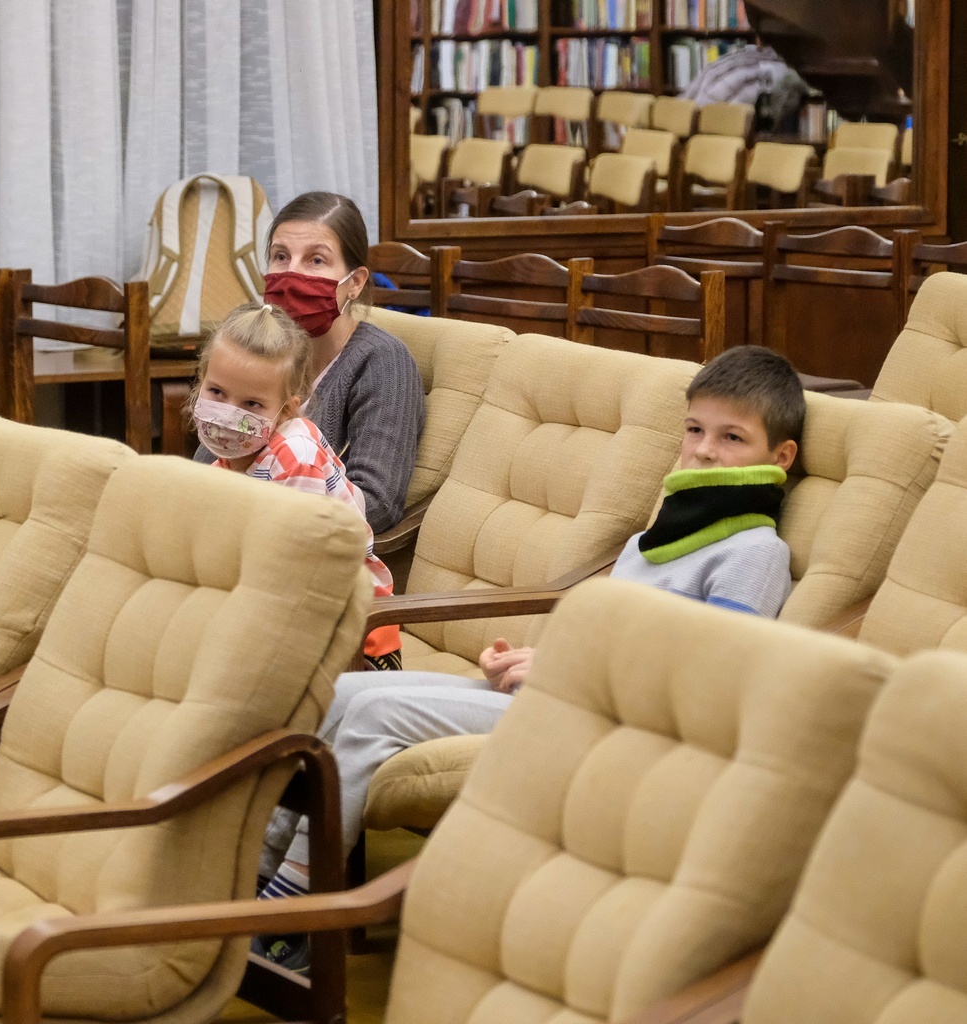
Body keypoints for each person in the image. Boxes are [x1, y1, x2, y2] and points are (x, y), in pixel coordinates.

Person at [254, 345, 805, 973]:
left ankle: (293, 915)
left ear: (780, 457)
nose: (704, 451)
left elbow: (712, 681)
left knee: (374, 714)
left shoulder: (754, 552)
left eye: (732, 437)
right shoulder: (658, 538)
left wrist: (568, 672)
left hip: (612, 725)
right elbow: (613, 638)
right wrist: (536, 659)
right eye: (695, 430)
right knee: (341, 693)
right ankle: (262, 871)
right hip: (567, 695)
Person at [195, 192, 424, 535]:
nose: (291, 274)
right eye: (280, 256)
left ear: (355, 283)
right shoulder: (256, 354)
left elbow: (378, 505)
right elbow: (208, 465)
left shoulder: (383, 361)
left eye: (316, 260)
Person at [194, 303, 402, 669]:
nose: (229, 415)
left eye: (252, 404)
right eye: (217, 392)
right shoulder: (230, 458)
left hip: (356, 643)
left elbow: (296, 567)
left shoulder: (297, 456)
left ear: (287, 410)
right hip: (280, 617)